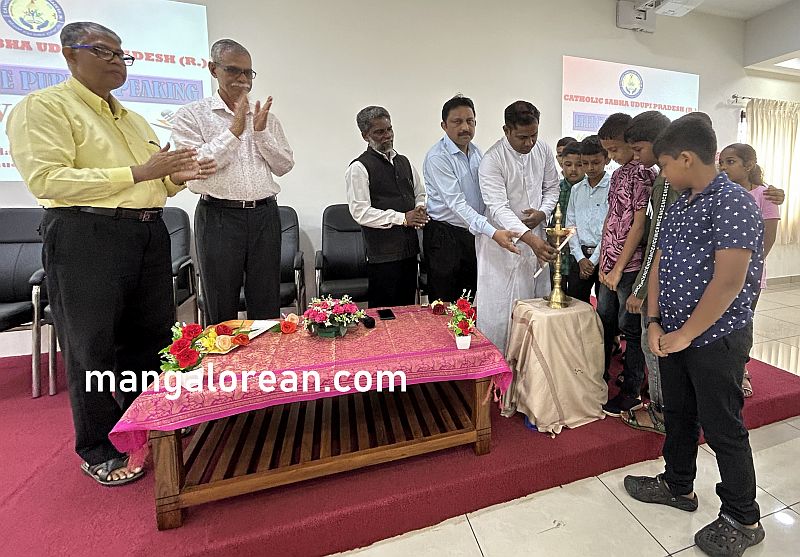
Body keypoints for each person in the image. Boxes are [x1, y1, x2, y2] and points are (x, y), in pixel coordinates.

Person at [6, 22, 214, 486]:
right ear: (69, 55)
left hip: (148, 232)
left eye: (122, 53)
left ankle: (148, 420)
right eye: (103, 51)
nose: (117, 61)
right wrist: (139, 171)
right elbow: (47, 180)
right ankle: (99, 445)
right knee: (92, 345)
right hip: (86, 234)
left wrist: (178, 175)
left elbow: (158, 184)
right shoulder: (44, 107)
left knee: (151, 338)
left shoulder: (135, 120)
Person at [626, 114, 766, 557]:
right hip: (672, 333)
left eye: (665, 164)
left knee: (723, 426)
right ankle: (678, 484)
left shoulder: (734, 202)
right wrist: (653, 320)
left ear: (686, 158)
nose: (662, 173)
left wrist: (687, 333)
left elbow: (728, 282)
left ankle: (743, 516)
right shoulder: (680, 202)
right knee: (678, 413)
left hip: (716, 337)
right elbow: (658, 262)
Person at [171, 39, 294, 324]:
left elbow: (284, 165)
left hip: (265, 214)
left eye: (248, 72)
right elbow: (196, 166)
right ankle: (224, 354)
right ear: (213, 69)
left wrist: (261, 134)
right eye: (233, 70)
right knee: (220, 301)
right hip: (219, 216)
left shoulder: (265, 117)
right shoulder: (192, 115)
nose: (242, 78)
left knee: (266, 301)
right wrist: (234, 131)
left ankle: (268, 354)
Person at [476, 100, 559, 352]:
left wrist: (543, 213)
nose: (529, 143)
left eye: (534, 135)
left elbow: (552, 188)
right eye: (523, 137)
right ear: (506, 130)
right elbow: (497, 207)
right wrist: (530, 239)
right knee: (501, 309)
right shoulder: (492, 160)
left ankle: (532, 364)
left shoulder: (542, 150)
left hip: (536, 236)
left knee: (535, 302)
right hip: (502, 244)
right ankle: (498, 364)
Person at [423, 95, 519, 303]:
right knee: (445, 302)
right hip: (445, 236)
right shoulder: (437, 157)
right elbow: (457, 204)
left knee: (469, 298)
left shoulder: (476, 152)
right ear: (444, 125)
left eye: (470, 121)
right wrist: (493, 232)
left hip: (472, 233)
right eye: (457, 122)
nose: (465, 127)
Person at [597, 112, 656, 416]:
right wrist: (603, 259)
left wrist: (619, 267)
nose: (611, 156)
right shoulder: (618, 174)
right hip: (609, 262)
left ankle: (631, 390)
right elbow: (611, 216)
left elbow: (639, 224)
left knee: (630, 329)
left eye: (615, 149)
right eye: (607, 151)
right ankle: (599, 378)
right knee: (605, 322)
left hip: (629, 266)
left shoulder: (644, 173)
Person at [619, 110, 673, 434]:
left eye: (639, 149)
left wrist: (640, 289)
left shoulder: (666, 180)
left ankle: (661, 412)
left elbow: (657, 240)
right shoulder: (671, 177)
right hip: (673, 279)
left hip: (661, 281)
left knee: (652, 344)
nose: (637, 157)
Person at [346, 106, 428, 308]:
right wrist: (402, 218)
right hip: (383, 257)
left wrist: (419, 208)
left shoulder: (404, 162)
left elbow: (420, 193)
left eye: (389, 129)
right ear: (365, 136)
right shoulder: (359, 168)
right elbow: (361, 212)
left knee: (408, 311)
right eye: (379, 132)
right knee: (385, 315)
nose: (387, 136)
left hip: (409, 252)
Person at [719, 144, 781, 398]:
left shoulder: (765, 195)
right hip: (719, 274)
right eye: (722, 162)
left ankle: (741, 370)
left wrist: (744, 270)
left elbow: (768, 238)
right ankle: (721, 369)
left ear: (749, 165)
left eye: (731, 162)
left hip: (748, 275)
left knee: (742, 323)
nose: (724, 167)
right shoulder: (721, 192)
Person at [564, 136, 609, 303]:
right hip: (579, 256)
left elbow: (611, 228)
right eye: (585, 163)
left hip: (605, 256)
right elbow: (570, 225)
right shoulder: (576, 190)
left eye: (595, 162)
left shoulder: (613, 187)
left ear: (606, 159)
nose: (590, 168)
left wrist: (593, 261)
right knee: (575, 304)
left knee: (605, 309)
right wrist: (580, 258)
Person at [548, 140, 585, 292]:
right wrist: (551, 236)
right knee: (557, 291)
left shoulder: (588, 190)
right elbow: (548, 217)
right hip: (559, 251)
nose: (573, 170)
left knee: (579, 295)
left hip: (581, 253)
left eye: (579, 165)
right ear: (561, 163)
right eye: (568, 165)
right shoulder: (556, 189)